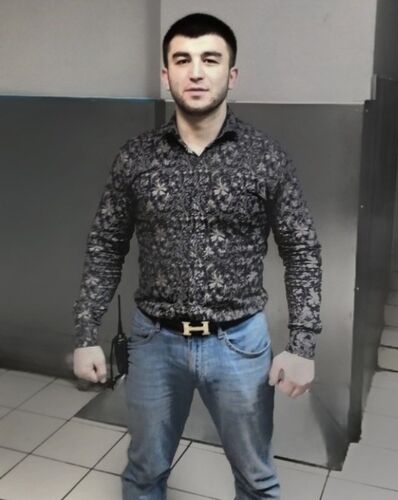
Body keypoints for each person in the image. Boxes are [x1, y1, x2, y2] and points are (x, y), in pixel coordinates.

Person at [73, 12, 322, 500]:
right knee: (144, 473)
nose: (196, 72)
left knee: (257, 480)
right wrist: (85, 333)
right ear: (166, 75)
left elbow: (302, 250)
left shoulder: (265, 157)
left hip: (239, 343)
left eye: (210, 59)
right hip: (154, 342)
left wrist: (303, 344)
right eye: (182, 60)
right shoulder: (136, 157)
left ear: (232, 74)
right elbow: (105, 244)